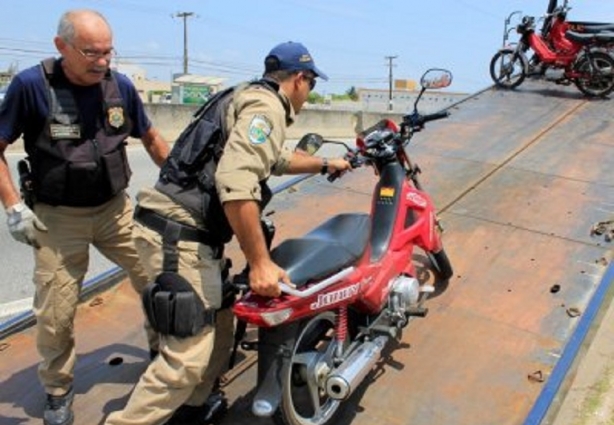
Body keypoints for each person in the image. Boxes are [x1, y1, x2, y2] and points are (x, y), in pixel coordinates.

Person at [104, 41, 351, 425]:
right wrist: (260, 263)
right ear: (300, 79)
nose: (309, 93)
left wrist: (324, 163)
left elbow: (275, 157)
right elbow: (236, 181)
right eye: (312, 85)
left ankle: (194, 409)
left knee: (219, 333)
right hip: (180, 237)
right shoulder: (267, 107)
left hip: (185, 233)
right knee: (184, 360)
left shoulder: (245, 95)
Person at [0, 9, 169, 425]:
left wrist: (182, 182)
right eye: (91, 52)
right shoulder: (30, 86)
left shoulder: (120, 86)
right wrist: (13, 207)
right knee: (56, 312)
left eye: (108, 52)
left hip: (115, 210)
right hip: (59, 219)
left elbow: (149, 138)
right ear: (62, 47)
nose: (102, 61)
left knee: (159, 279)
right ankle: (58, 389)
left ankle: (160, 349)